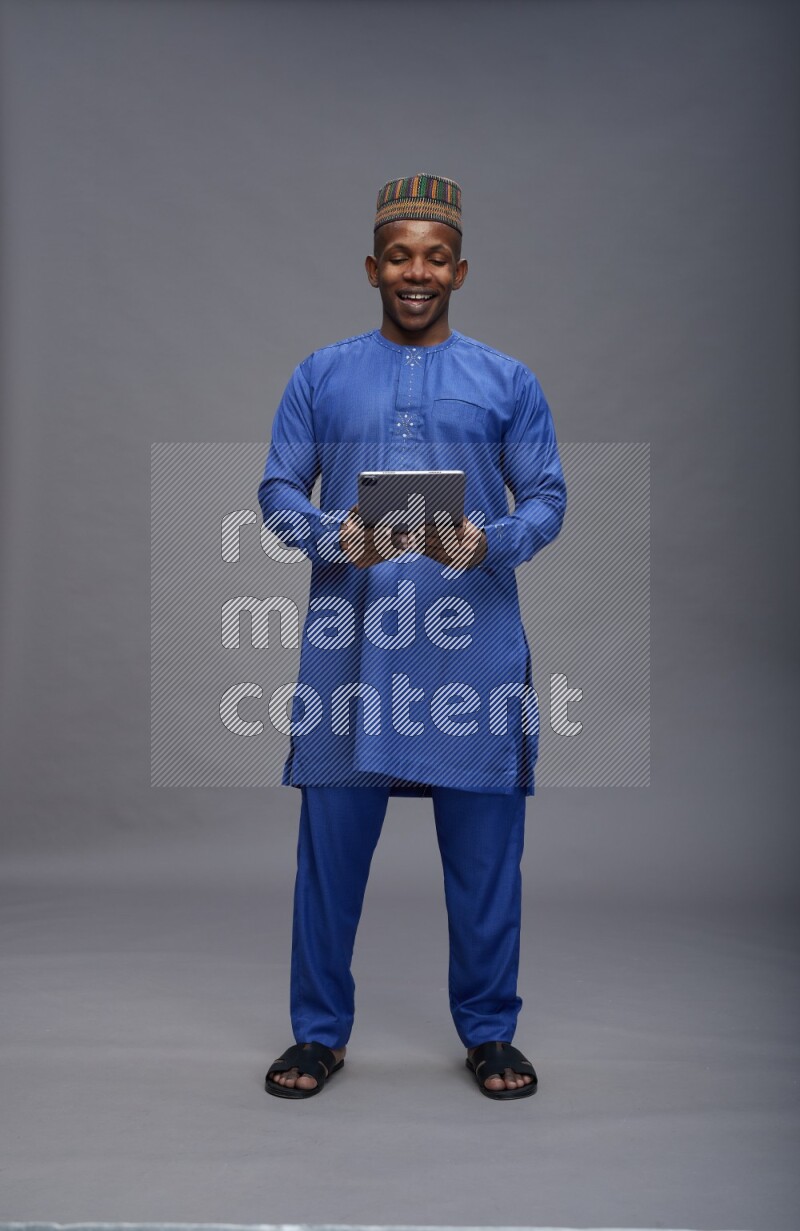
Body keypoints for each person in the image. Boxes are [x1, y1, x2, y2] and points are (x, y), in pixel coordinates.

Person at [258, 174, 566, 1100]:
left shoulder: (507, 380)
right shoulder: (321, 373)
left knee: (484, 863)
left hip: (469, 651)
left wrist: (492, 539)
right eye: (400, 255)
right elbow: (277, 488)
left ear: (460, 269)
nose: (416, 271)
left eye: (435, 256)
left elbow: (547, 498)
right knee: (330, 860)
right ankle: (318, 1034)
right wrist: (326, 532)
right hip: (351, 653)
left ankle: (490, 1033)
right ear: (372, 267)